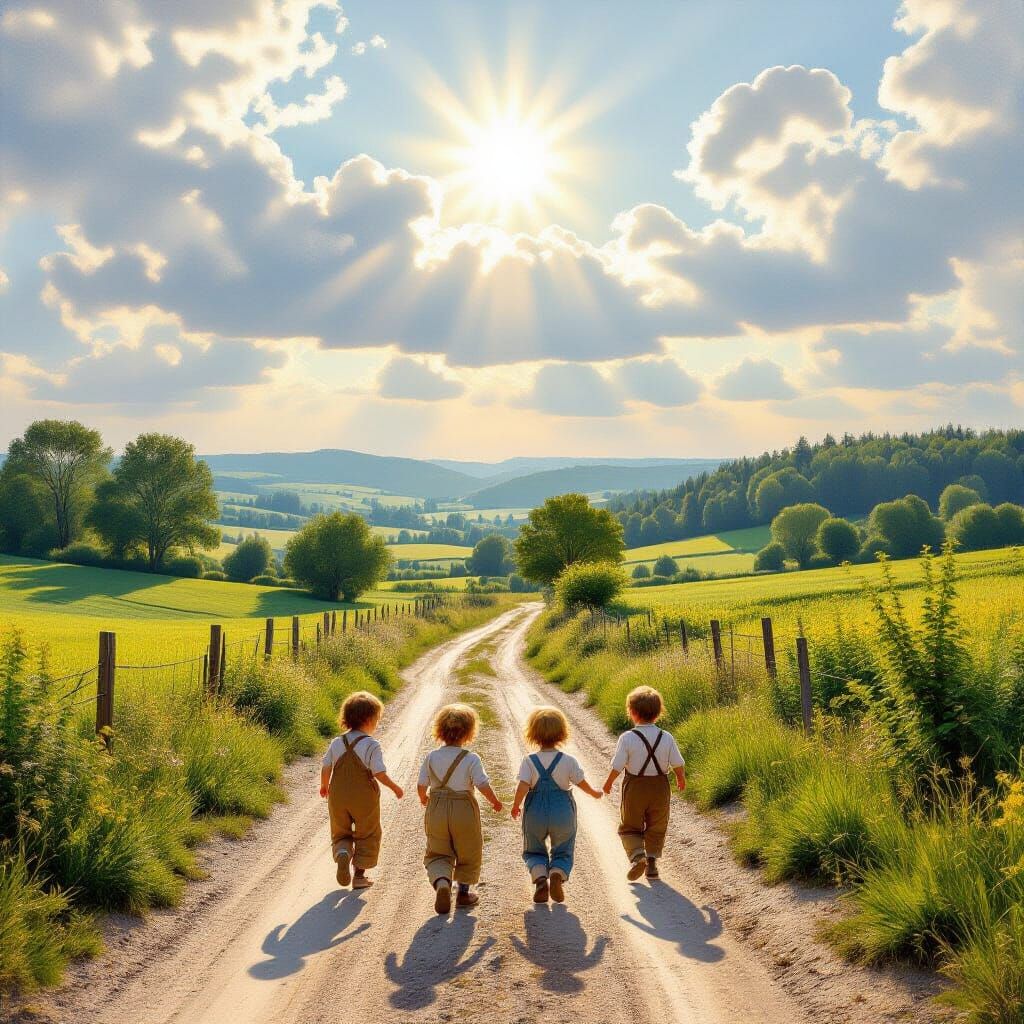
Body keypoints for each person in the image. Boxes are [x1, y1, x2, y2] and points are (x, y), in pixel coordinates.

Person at [510, 706, 602, 904]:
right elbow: (580, 782)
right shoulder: (568, 760)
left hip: (535, 811)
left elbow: (523, 786)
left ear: (533, 734)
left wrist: (516, 805)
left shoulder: (529, 761)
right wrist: (594, 793)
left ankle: (541, 877)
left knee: (533, 849)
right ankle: (558, 873)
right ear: (562, 733)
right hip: (562, 812)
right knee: (563, 848)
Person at [418, 703, 502, 915]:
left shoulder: (431, 757)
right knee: (469, 850)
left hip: (436, 806)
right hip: (463, 808)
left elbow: (421, 785)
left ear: (439, 730)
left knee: (438, 851)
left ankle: (442, 883)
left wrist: (423, 798)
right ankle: (463, 894)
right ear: (468, 733)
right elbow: (482, 784)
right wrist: (494, 801)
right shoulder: (471, 758)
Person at [319, 690, 403, 889]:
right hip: (364, 797)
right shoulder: (371, 744)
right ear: (368, 719)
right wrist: (394, 787)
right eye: (377, 719)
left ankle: (342, 853)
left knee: (340, 831)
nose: (377, 723)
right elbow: (378, 773)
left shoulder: (337, 742)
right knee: (368, 833)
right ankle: (359, 876)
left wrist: (324, 786)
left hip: (338, 795)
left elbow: (326, 766)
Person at [602, 686, 686, 881]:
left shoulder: (628, 738)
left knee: (630, 825)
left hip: (635, 787)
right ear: (658, 714)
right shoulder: (666, 737)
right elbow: (678, 763)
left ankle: (638, 855)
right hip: (660, 787)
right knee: (657, 825)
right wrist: (681, 778)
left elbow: (618, 765)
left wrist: (608, 783)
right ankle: (652, 863)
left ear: (632, 712)